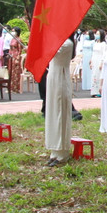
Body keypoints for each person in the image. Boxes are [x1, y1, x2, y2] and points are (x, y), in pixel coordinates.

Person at [45, 38, 74, 166]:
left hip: (60, 79)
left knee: (60, 114)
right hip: (52, 78)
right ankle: (54, 150)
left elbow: (50, 51)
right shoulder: (57, 42)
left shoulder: (67, 43)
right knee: (52, 112)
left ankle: (62, 153)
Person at [90, 30, 107, 98]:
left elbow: (104, 54)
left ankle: (99, 91)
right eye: (96, 34)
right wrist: (91, 61)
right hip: (94, 60)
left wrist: (102, 63)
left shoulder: (103, 44)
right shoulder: (95, 43)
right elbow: (93, 53)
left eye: (98, 34)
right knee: (94, 75)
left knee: (99, 75)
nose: (96, 35)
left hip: (100, 60)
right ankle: (94, 91)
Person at [8, 27, 24, 93]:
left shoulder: (19, 40)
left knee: (15, 72)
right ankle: (10, 87)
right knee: (10, 72)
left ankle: (15, 88)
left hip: (16, 56)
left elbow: (20, 50)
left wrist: (18, 58)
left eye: (14, 31)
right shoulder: (12, 39)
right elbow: (10, 48)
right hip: (11, 56)